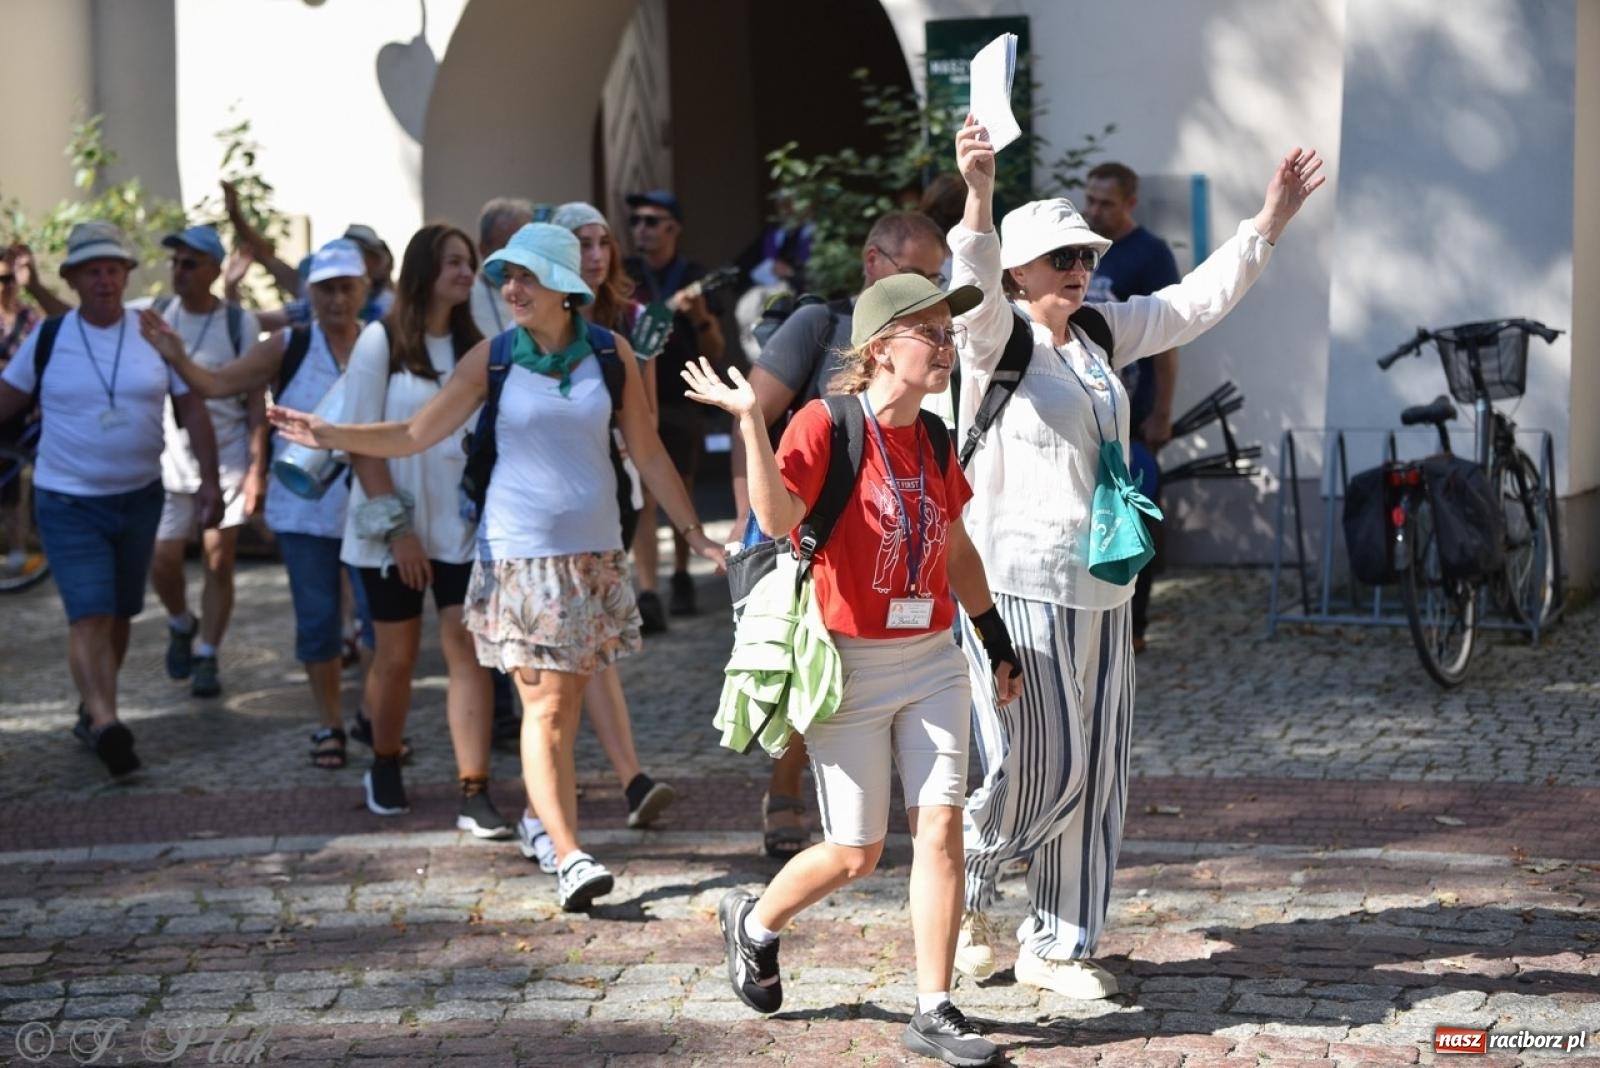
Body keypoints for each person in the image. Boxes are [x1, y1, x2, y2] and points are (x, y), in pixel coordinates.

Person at [947, 119, 1324, 997]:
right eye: (1060, 261)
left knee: (1103, 766)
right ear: (1019, 273)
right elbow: (968, 278)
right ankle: (964, 884)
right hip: (1017, 582)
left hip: (1106, 583)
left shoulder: (1100, 333)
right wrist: (976, 192)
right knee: (1039, 760)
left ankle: (1057, 944)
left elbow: (1194, 302)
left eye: (1084, 256)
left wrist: (1267, 221)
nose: (1079, 270)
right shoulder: (994, 339)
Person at [266, 223, 724, 912]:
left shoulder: (609, 352)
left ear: (566, 288)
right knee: (541, 709)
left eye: (527, 277)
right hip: (518, 560)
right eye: (506, 277)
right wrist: (331, 435)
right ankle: (570, 857)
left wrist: (694, 534)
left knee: (564, 711)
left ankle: (543, 824)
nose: (511, 289)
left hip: (594, 556)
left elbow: (648, 451)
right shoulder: (493, 357)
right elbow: (417, 432)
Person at [688, 270, 1022, 1068]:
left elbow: (953, 546)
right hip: (847, 666)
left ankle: (935, 1007)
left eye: (949, 333)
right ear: (880, 349)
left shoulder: (935, 436)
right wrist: (750, 429)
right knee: (856, 852)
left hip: (934, 658)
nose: (947, 346)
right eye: (931, 332)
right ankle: (757, 924)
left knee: (939, 828)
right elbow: (776, 522)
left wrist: (993, 634)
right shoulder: (823, 423)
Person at [731, 210, 949, 861]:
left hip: (897, 536)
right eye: (916, 274)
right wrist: (755, 528)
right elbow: (755, 415)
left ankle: (884, 812)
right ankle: (787, 789)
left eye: (938, 277)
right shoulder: (817, 326)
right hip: (805, 531)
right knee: (813, 671)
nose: (929, 291)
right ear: (873, 261)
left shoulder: (930, 341)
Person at [0, 222, 224, 777]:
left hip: (139, 497)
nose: (104, 279)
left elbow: (192, 407)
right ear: (73, 279)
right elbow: (7, 398)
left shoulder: (152, 331)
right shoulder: (49, 338)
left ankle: (93, 708)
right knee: (91, 612)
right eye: (92, 270)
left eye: (113, 269)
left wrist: (212, 481)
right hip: (67, 498)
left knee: (121, 611)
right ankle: (106, 720)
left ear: (126, 276)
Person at [147, 239, 377, 771]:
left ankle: (374, 717)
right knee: (319, 623)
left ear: (363, 289)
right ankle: (330, 724)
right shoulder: (288, 345)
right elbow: (219, 383)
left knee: (378, 626)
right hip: (304, 513)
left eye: (347, 287)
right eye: (326, 289)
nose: (337, 299)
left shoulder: (384, 344)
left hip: (374, 508)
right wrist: (177, 356)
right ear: (309, 294)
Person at [337, 223, 512, 834]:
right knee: (397, 657)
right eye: (454, 264)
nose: (467, 273)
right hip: (389, 535)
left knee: (467, 652)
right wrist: (399, 532)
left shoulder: (478, 345)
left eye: (469, 263)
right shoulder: (379, 342)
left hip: (459, 531)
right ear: (422, 272)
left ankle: (474, 788)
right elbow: (361, 445)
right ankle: (384, 762)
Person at [140, 225, 267, 699]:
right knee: (163, 559)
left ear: (214, 270)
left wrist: (256, 467)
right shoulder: (155, 317)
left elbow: (257, 399)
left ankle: (209, 654)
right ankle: (180, 621)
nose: (179, 271)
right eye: (175, 262)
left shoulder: (239, 323)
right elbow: (82, 317)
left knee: (219, 560)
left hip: (229, 457)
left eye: (190, 263)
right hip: (170, 460)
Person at [1081, 162, 1183, 654]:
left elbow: (1166, 342)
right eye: (1090, 200)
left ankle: (1134, 625)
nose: (1094, 210)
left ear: (1130, 203)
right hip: (1081, 413)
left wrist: (1162, 411)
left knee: (1137, 516)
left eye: (1105, 202)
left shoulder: (1149, 255)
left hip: (1131, 417)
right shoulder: (1076, 248)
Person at [623, 189, 725, 627]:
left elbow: (716, 348)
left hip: (680, 396)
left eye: (651, 221)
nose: (641, 229)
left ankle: (682, 575)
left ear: (673, 228)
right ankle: (648, 590)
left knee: (678, 485)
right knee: (642, 494)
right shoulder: (625, 274)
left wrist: (699, 315)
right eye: (637, 221)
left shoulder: (696, 276)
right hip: (633, 395)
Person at [0, 247, 42, 578]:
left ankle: (18, 550)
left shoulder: (30, 319)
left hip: (23, 413)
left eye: (9, 278)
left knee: (17, 485)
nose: (5, 285)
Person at [471, 197, 535, 338]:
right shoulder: (466, 297)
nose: (518, 256)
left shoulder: (542, 293)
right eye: (508, 246)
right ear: (483, 249)